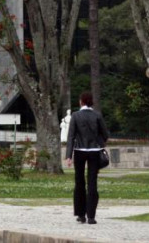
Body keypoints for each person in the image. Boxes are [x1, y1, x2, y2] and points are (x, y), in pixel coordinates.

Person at [65, 92, 109, 225]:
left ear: (81, 102)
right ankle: (91, 216)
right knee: (92, 183)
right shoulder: (97, 115)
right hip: (94, 152)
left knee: (79, 182)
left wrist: (68, 156)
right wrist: (99, 142)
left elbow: (71, 136)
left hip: (79, 151)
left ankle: (81, 214)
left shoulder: (76, 115)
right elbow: (105, 134)